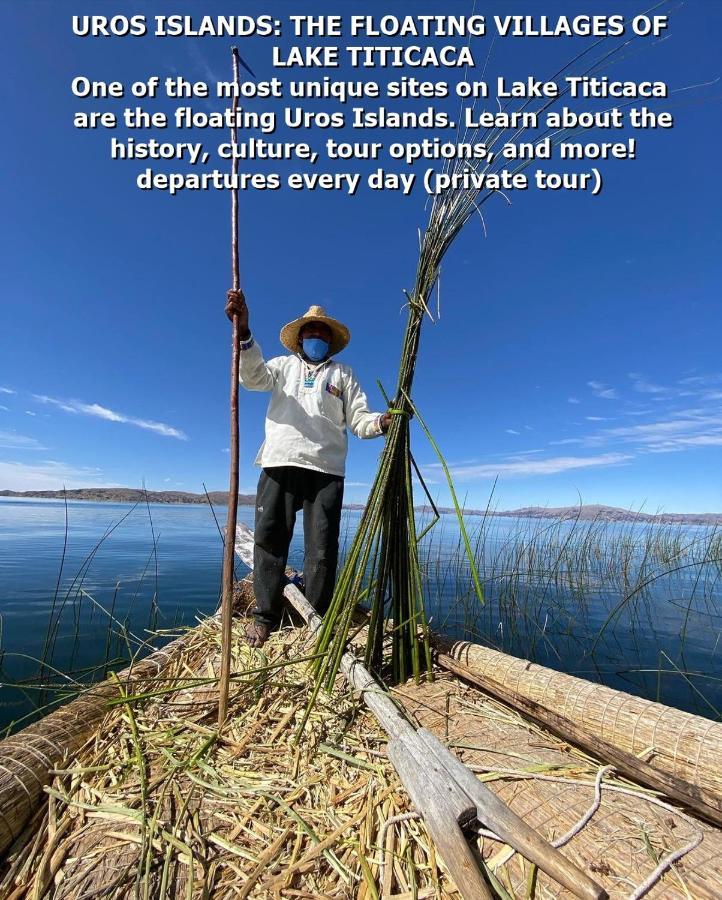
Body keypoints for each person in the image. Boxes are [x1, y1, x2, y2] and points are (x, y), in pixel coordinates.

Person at [225, 289, 391, 647]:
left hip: (326, 469)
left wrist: (382, 422)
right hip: (280, 460)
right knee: (269, 540)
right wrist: (245, 333)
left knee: (322, 547)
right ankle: (264, 615)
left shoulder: (343, 374)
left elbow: (360, 420)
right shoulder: (282, 367)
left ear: (330, 340)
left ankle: (317, 616)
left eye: (322, 333)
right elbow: (252, 379)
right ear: (300, 338)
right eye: (311, 332)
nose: (317, 337)